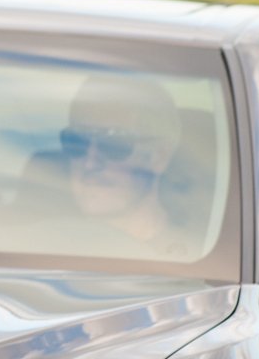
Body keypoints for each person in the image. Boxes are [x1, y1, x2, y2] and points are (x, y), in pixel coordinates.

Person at [60, 75, 182, 247]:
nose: (90, 163)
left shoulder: (199, 259)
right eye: (77, 141)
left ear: (159, 157)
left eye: (113, 144)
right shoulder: (35, 246)